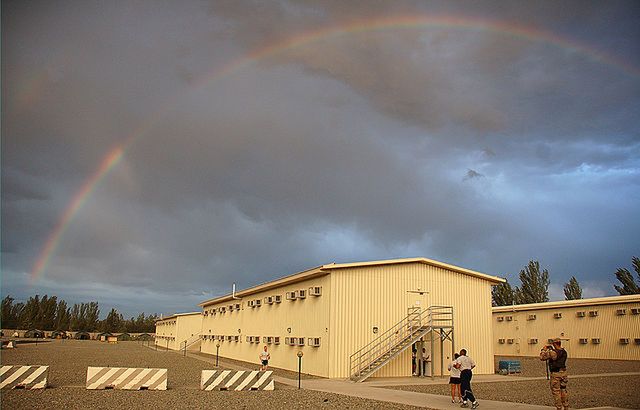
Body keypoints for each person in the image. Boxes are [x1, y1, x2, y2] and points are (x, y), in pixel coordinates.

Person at [539, 337, 569, 410]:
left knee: (556, 392)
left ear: (554, 344)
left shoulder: (553, 352)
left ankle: (559, 408)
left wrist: (544, 350)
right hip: (564, 373)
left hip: (556, 374)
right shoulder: (564, 351)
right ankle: (566, 406)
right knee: (563, 390)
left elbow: (542, 358)